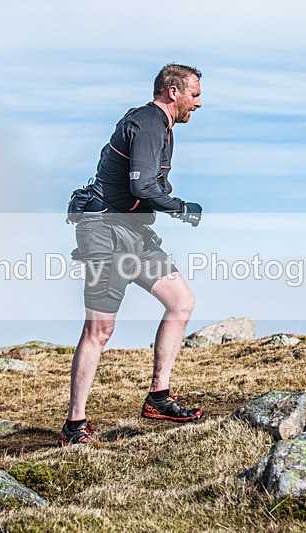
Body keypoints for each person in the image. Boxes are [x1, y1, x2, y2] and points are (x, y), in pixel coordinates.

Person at [59, 63, 205, 447]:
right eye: (195, 94)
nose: (199, 103)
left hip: (135, 231)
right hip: (105, 230)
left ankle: (158, 397)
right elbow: (140, 182)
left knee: (181, 302)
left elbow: (145, 184)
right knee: (100, 329)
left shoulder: (162, 128)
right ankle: (75, 426)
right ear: (173, 93)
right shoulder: (149, 121)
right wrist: (180, 207)